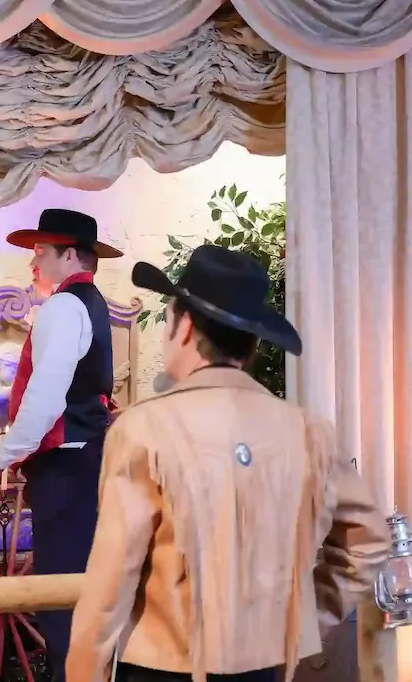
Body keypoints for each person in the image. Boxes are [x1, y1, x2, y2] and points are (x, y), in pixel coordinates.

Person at [65, 246, 390, 682]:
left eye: (167, 319)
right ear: (252, 342)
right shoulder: (308, 431)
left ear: (183, 327)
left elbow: (111, 580)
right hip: (262, 666)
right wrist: (300, 620)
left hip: (161, 667)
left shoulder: (144, 428)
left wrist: (85, 672)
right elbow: (367, 541)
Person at [0, 208, 123, 681]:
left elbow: (45, 399)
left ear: (69, 255)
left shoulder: (64, 306)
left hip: (67, 470)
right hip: (86, 464)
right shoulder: (90, 303)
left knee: (63, 603)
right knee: (80, 598)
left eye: (40, 251)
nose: (33, 262)